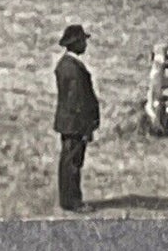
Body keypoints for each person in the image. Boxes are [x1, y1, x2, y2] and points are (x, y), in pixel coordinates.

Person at [53, 23, 100, 214]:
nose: (85, 45)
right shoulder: (73, 69)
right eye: (83, 41)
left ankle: (68, 199)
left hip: (69, 122)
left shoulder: (65, 65)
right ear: (76, 43)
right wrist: (85, 127)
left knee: (69, 161)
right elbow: (78, 101)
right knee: (73, 163)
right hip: (75, 124)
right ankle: (73, 201)